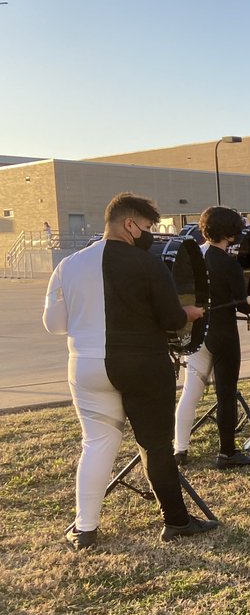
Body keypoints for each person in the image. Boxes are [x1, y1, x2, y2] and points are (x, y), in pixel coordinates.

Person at [42, 192, 216, 550]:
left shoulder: (68, 264)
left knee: (96, 442)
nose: (149, 235)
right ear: (130, 224)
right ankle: (175, 521)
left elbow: (53, 324)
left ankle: (85, 528)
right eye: (148, 227)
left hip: (85, 364)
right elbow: (171, 318)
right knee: (155, 445)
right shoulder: (147, 264)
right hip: (143, 363)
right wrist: (188, 314)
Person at [173, 206, 250, 468]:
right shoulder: (228, 264)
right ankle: (227, 453)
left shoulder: (192, 257)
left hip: (195, 334)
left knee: (190, 390)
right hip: (222, 334)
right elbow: (242, 304)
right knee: (226, 394)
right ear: (231, 234)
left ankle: (179, 449)